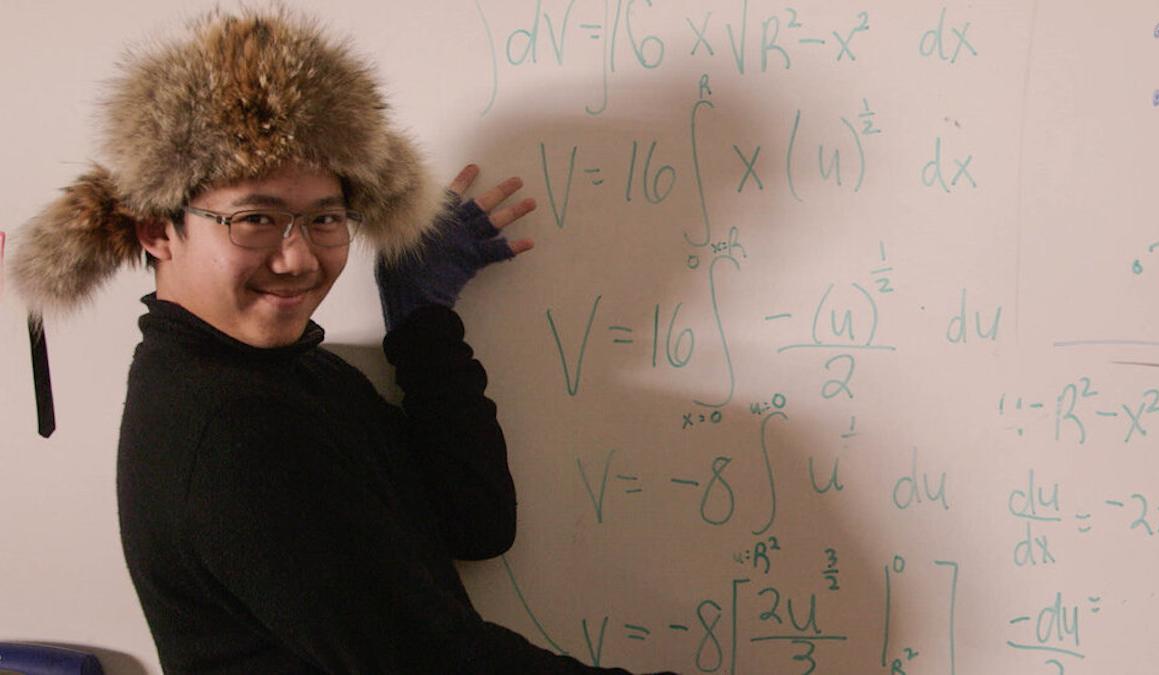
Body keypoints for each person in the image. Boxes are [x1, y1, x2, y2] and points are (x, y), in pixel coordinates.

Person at [11, 8, 671, 674]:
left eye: (325, 217)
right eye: (256, 219)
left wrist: (423, 319)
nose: (298, 259)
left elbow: (477, 521)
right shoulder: (230, 427)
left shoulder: (299, 374)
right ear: (158, 230)